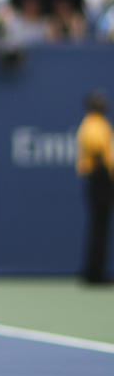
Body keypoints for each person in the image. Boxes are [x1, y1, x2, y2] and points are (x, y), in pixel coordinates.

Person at [76, 90, 114, 284]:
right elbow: (97, 150)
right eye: (100, 101)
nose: (104, 103)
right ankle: (94, 273)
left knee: (100, 227)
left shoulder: (98, 123)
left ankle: (95, 271)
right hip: (100, 179)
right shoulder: (93, 124)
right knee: (100, 227)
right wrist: (107, 176)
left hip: (100, 179)